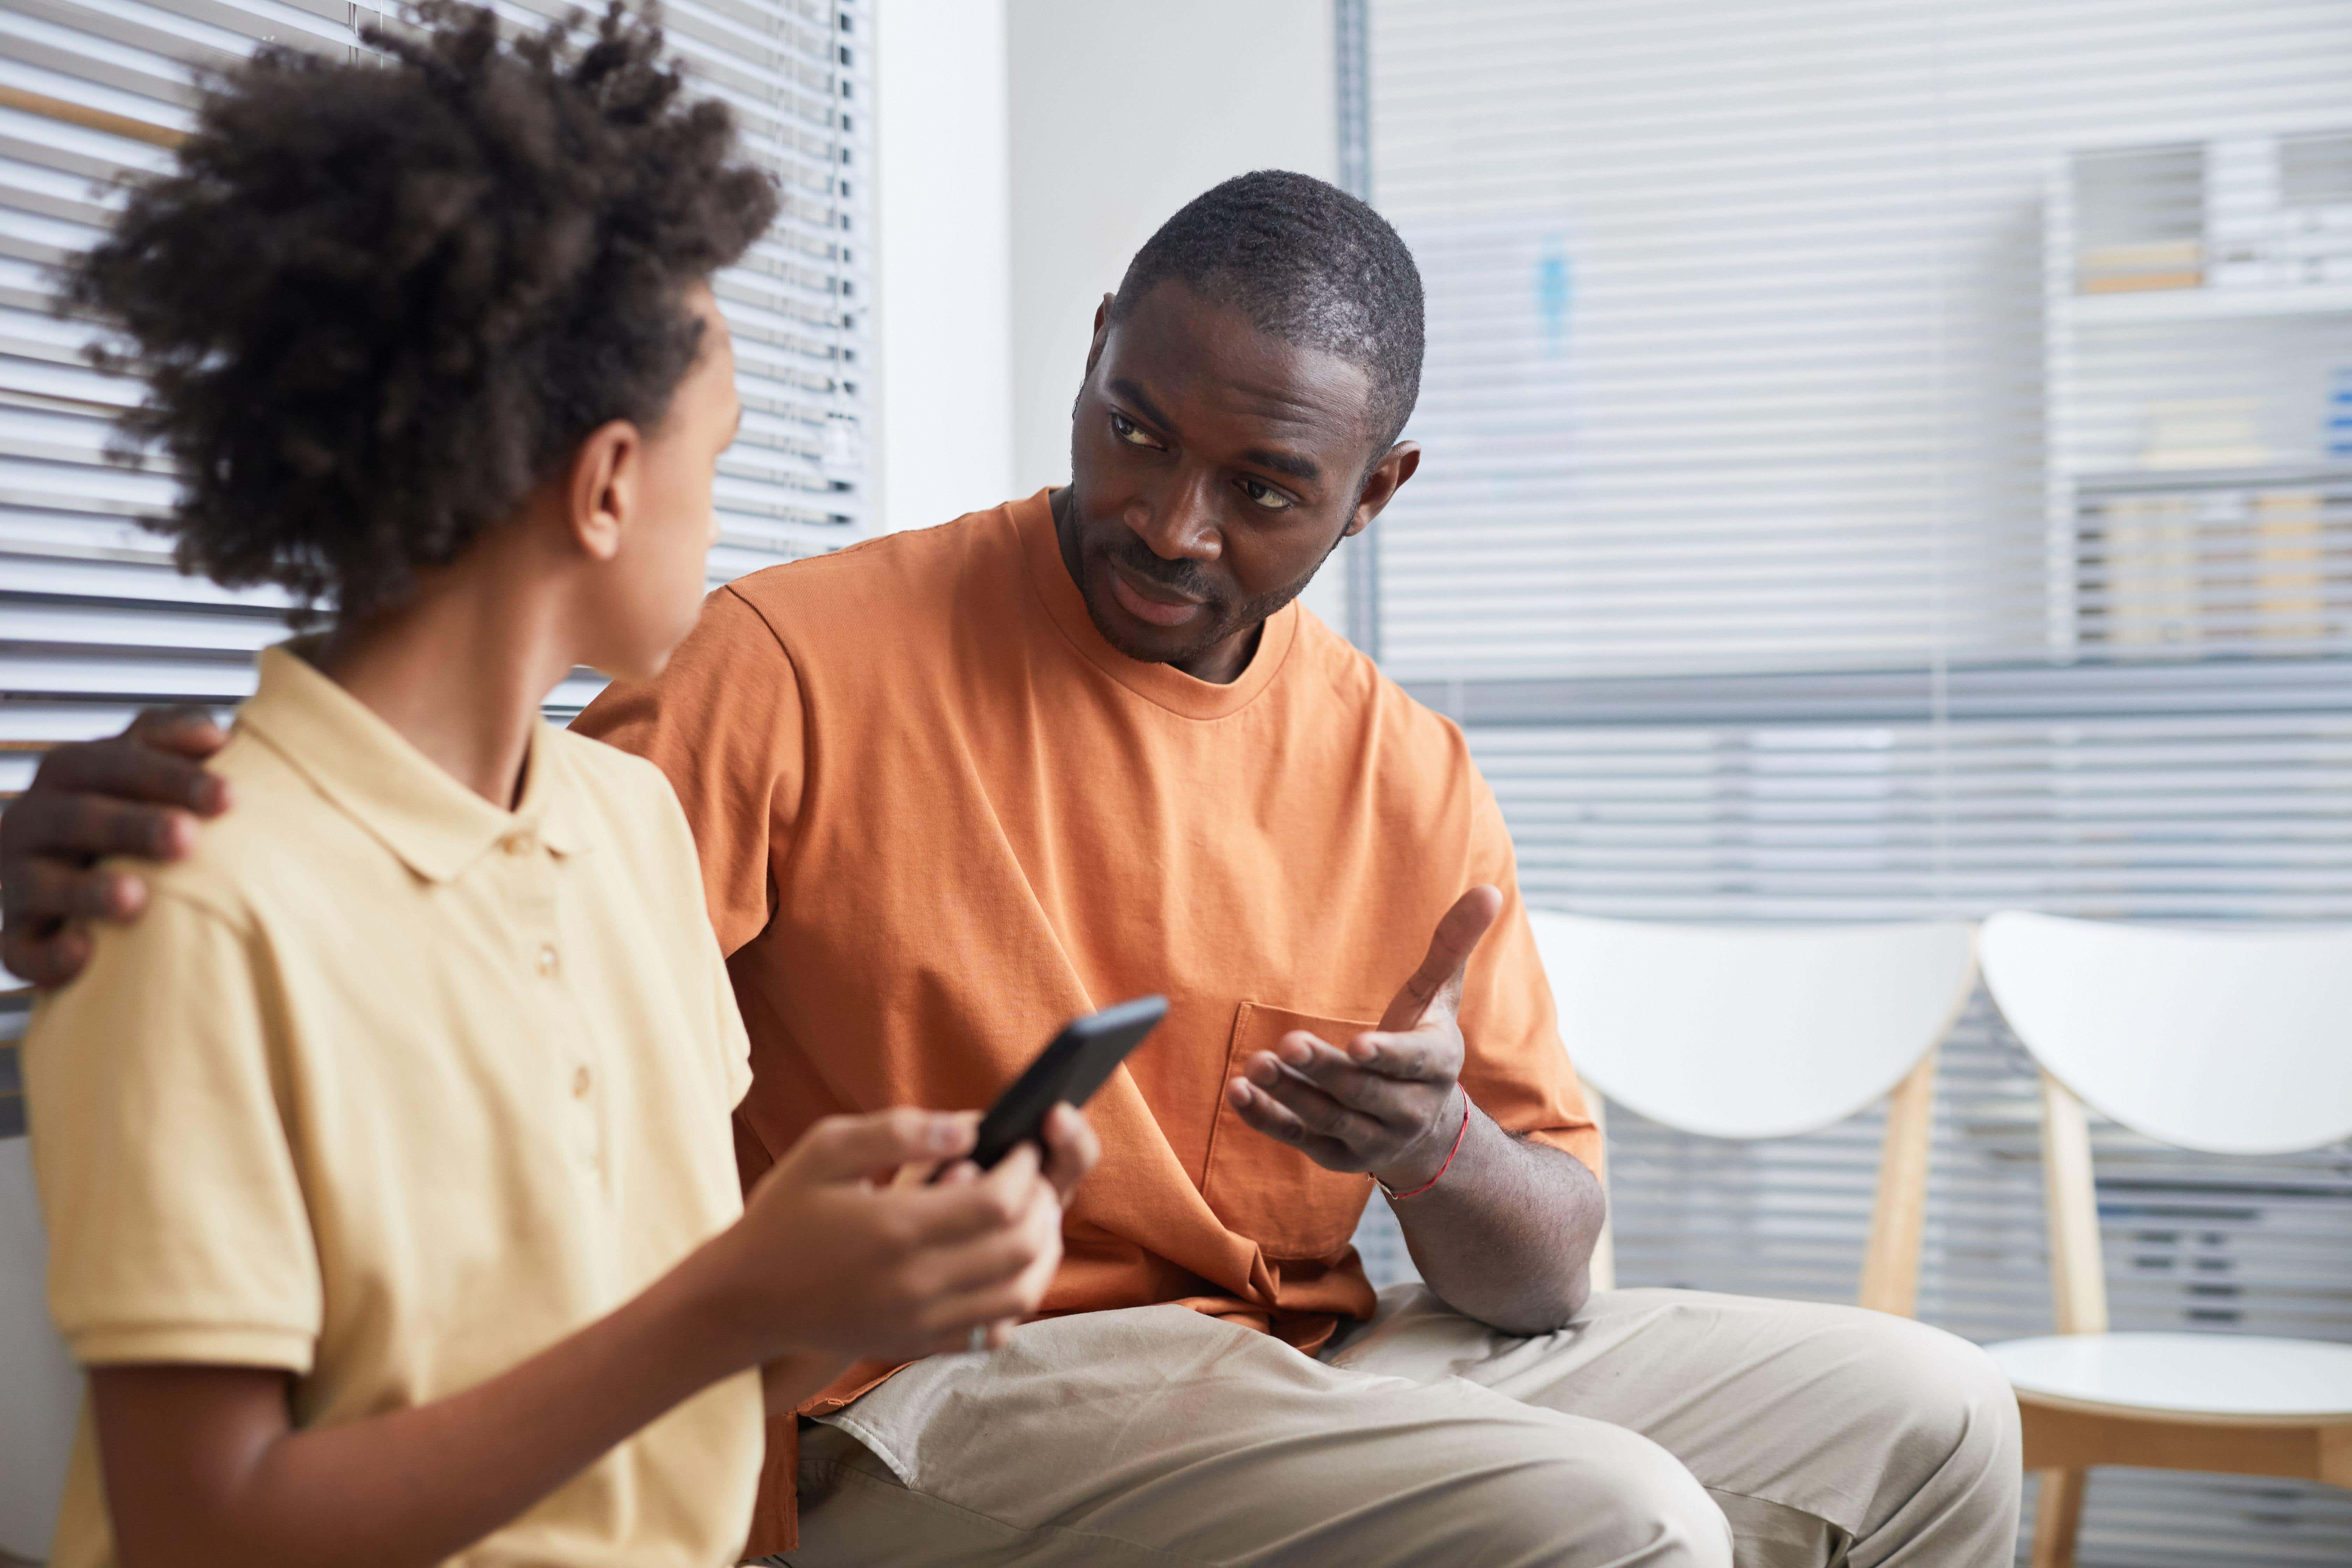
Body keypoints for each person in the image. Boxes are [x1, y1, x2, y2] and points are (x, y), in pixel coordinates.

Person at [4, 162, 2022, 1564]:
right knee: (1619, 1521)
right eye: (1131, 432)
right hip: (953, 1395)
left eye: (1261, 493)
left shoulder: (1403, 769)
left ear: (1372, 494)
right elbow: (444, 956)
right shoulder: (769, 673)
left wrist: (1435, 1155)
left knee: (1939, 1416)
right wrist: (100, 858)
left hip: (1310, 1355)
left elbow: (1545, 1262)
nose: (1167, 523)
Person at [10, 7, 1094, 1567]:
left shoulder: (634, 825)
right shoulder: (189, 898)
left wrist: (860, 1288)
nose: (723, 522)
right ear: (603, 487)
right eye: (714, 461)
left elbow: (676, 1391)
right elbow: (201, 1525)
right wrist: (737, 1298)